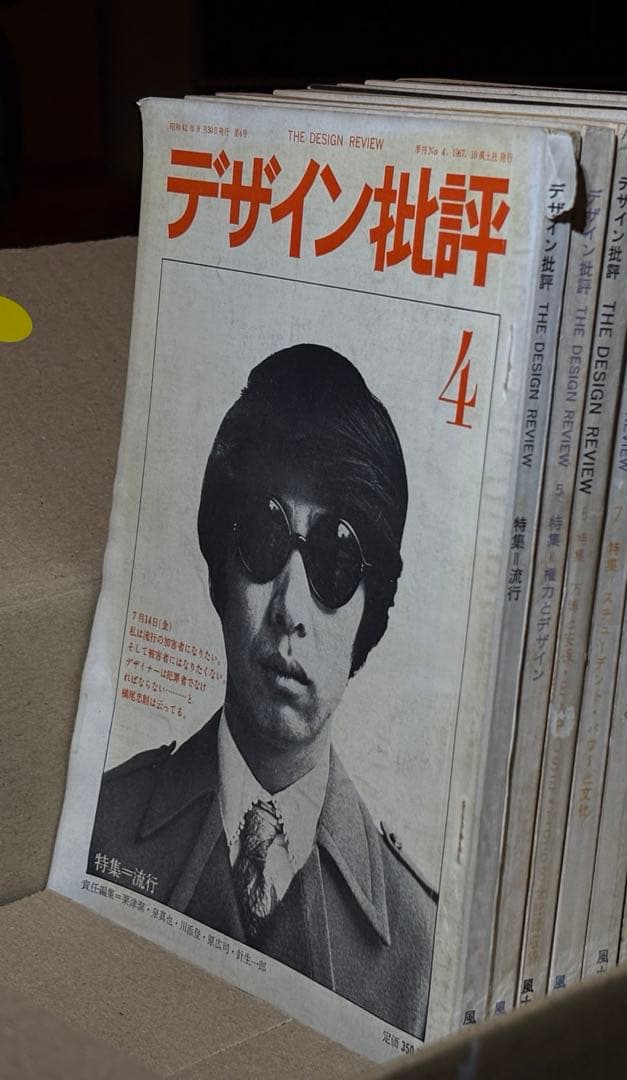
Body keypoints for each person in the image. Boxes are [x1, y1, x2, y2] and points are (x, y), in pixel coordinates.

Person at [89, 344, 436, 1038]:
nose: (290, 610)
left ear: (371, 612)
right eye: (263, 537)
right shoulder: (101, 822)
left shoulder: (419, 944)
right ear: (220, 566)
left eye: (335, 562)